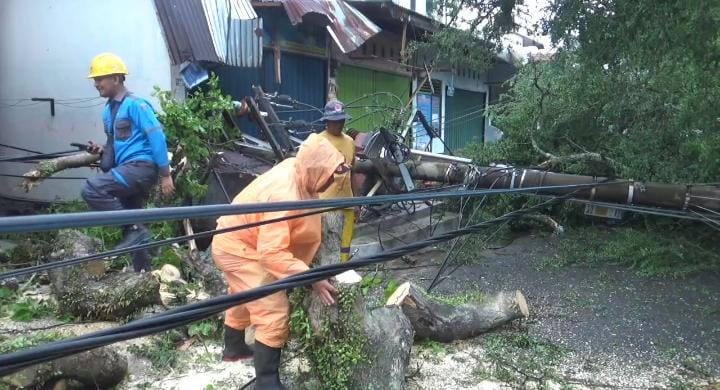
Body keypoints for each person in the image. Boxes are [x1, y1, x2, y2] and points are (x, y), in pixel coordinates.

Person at [212, 134, 346, 388]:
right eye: (328, 174)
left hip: (237, 239)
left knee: (242, 295)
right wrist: (312, 277)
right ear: (315, 168)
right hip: (238, 248)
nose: (330, 181)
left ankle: (234, 348)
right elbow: (271, 253)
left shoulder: (297, 168)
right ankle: (266, 382)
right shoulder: (285, 195)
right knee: (273, 309)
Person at [81, 52, 175, 272]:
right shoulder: (108, 111)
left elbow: (156, 136)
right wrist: (102, 151)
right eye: (95, 80)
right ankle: (144, 275)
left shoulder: (136, 105)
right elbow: (116, 145)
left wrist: (165, 174)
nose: (96, 84)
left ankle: (132, 227)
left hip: (141, 168)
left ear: (116, 78)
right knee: (133, 231)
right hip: (126, 169)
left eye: (100, 79)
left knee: (92, 189)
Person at [317, 100, 357, 262]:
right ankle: (326, 274)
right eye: (335, 122)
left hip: (347, 201)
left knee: (345, 242)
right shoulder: (318, 142)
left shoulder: (349, 142)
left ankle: (343, 270)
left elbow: (352, 171)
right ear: (327, 121)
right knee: (327, 244)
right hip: (325, 204)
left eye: (341, 121)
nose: (339, 125)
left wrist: (357, 201)